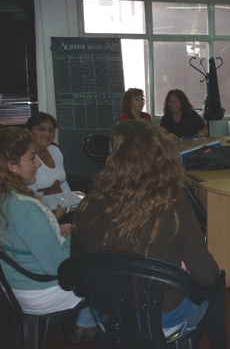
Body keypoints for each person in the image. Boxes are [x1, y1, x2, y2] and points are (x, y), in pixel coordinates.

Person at [72, 121, 219, 341]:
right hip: (164, 321)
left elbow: (78, 274)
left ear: (114, 159)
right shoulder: (175, 207)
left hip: (106, 317)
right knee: (215, 288)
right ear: (162, 159)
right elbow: (208, 277)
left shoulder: (87, 206)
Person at [0, 128, 96, 343]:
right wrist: (77, 238)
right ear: (11, 166)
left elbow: (20, 241)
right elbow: (58, 268)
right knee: (107, 274)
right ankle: (91, 326)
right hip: (41, 292)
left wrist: (57, 233)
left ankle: (84, 324)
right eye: (32, 158)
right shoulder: (24, 207)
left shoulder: (6, 197)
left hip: (15, 288)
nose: (38, 164)